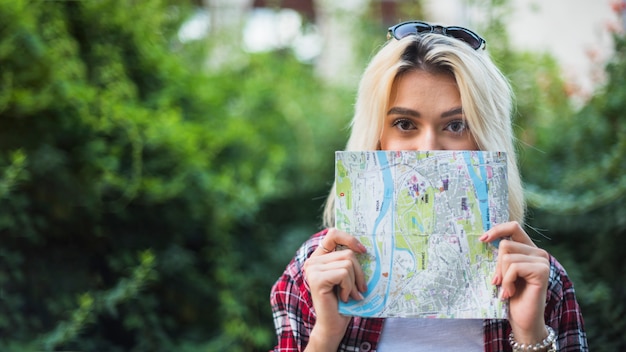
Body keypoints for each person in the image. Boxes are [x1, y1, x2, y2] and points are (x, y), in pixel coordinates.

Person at [270, 20, 588, 351]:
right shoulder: (316, 271)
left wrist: (529, 335)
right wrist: (326, 336)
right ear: (376, 139)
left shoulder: (538, 280)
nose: (429, 147)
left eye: (456, 125)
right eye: (404, 124)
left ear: (486, 141)